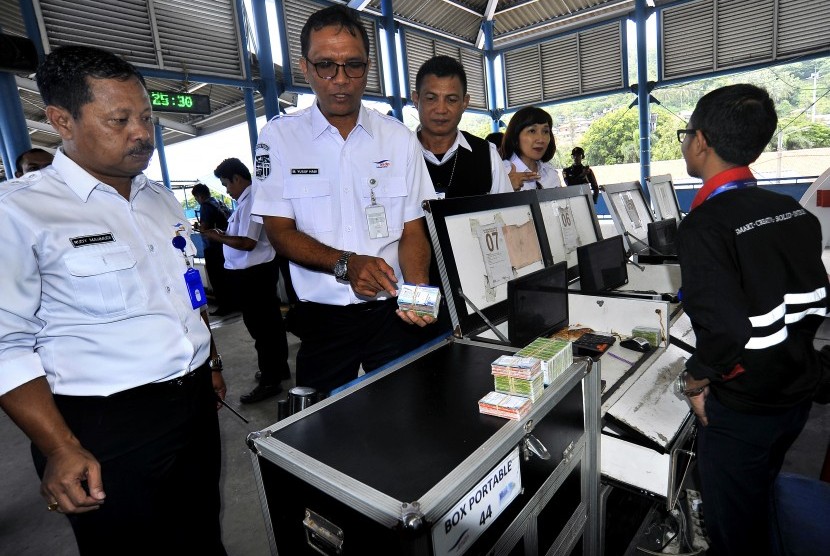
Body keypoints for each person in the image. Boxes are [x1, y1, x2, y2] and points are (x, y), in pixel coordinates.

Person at [0, 45, 227, 555]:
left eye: (146, 117)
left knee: (201, 537)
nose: (142, 133)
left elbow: (187, 292)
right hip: (103, 429)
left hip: (191, 407)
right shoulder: (20, 212)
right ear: (62, 120)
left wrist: (210, 360)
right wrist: (58, 447)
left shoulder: (159, 198)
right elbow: (4, 343)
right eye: (119, 119)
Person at [251, 4, 436, 396]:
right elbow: (279, 232)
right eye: (325, 66)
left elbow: (413, 228)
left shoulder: (398, 138)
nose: (340, 80)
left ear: (367, 67)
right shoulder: (279, 138)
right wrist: (345, 264)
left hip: (393, 314)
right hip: (322, 321)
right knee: (322, 436)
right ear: (305, 68)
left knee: (407, 416)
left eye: (353, 65)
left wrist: (417, 292)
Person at [675, 83, 829, 556]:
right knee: (758, 493)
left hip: (743, 408)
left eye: (685, 134)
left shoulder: (705, 224)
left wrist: (696, 379)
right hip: (796, 397)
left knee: (733, 526)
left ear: (700, 141)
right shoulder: (791, 211)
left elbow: (726, 330)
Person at [203, 158, 292, 403]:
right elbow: (241, 236)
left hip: (255, 275)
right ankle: (278, 369)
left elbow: (248, 243)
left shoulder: (252, 200)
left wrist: (216, 237)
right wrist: (224, 234)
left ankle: (269, 381)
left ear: (237, 179)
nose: (226, 190)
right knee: (270, 325)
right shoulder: (244, 202)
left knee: (262, 328)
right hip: (254, 274)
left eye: (226, 184)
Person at [412, 55, 512, 198]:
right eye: (431, 99)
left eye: (451, 100)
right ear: (416, 99)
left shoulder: (486, 155)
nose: (441, 109)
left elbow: (506, 212)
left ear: (465, 102)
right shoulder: (398, 153)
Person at [191, 182, 236, 316]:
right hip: (226, 245)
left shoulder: (205, 206)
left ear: (199, 196)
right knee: (227, 276)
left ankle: (224, 306)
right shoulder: (219, 203)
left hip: (213, 248)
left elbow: (204, 228)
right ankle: (234, 303)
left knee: (217, 279)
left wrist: (197, 228)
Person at [501, 106, 562, 191]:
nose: (541, 139)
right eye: (532, 131)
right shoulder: (502, 172)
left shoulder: (550, 173)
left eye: (545, 131)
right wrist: (506, 188)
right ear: (515, 136)